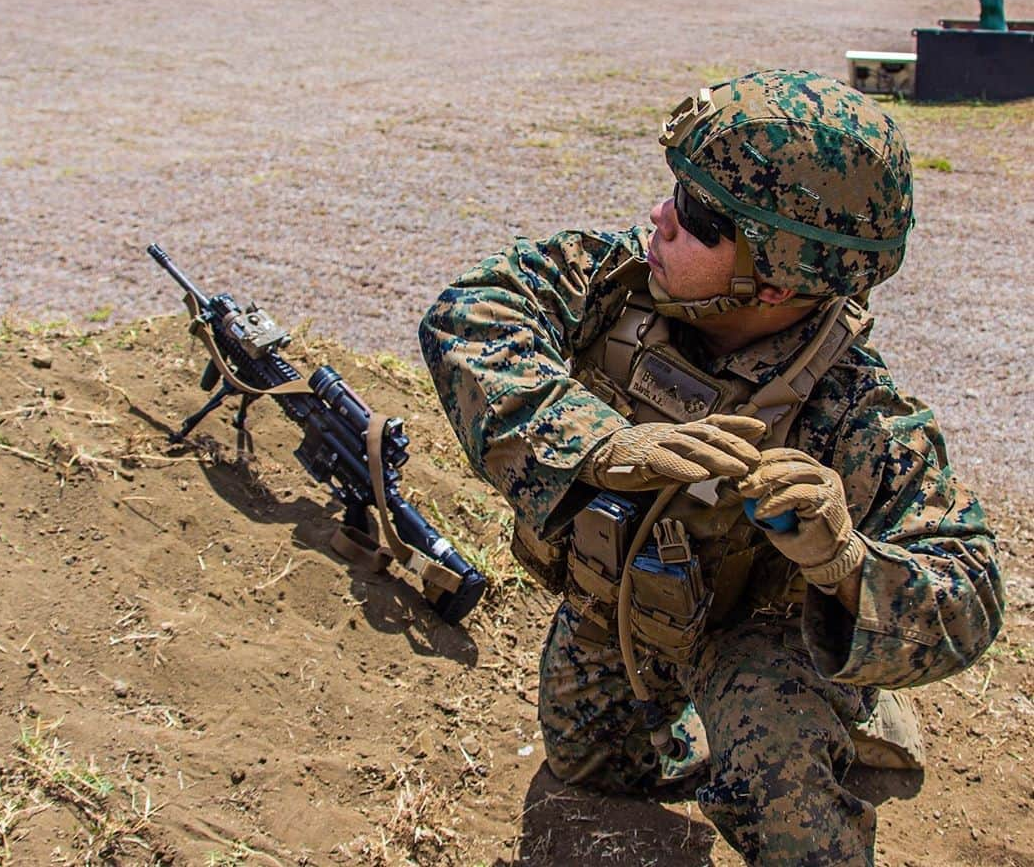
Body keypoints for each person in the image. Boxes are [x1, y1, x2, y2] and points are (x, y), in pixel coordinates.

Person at [418, 69, 1004, 865]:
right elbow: (469, 314)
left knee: (779, 772)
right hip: (624, 607)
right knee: (593, 766)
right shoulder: (616, 281)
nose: (660, 218)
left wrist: (844, 562)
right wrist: (599, 442)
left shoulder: (856, 414)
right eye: (674, 192)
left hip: (760, 643)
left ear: (774, 275)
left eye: (697, 216)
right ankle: (701, 720)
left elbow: (967, 589)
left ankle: (842, 722)